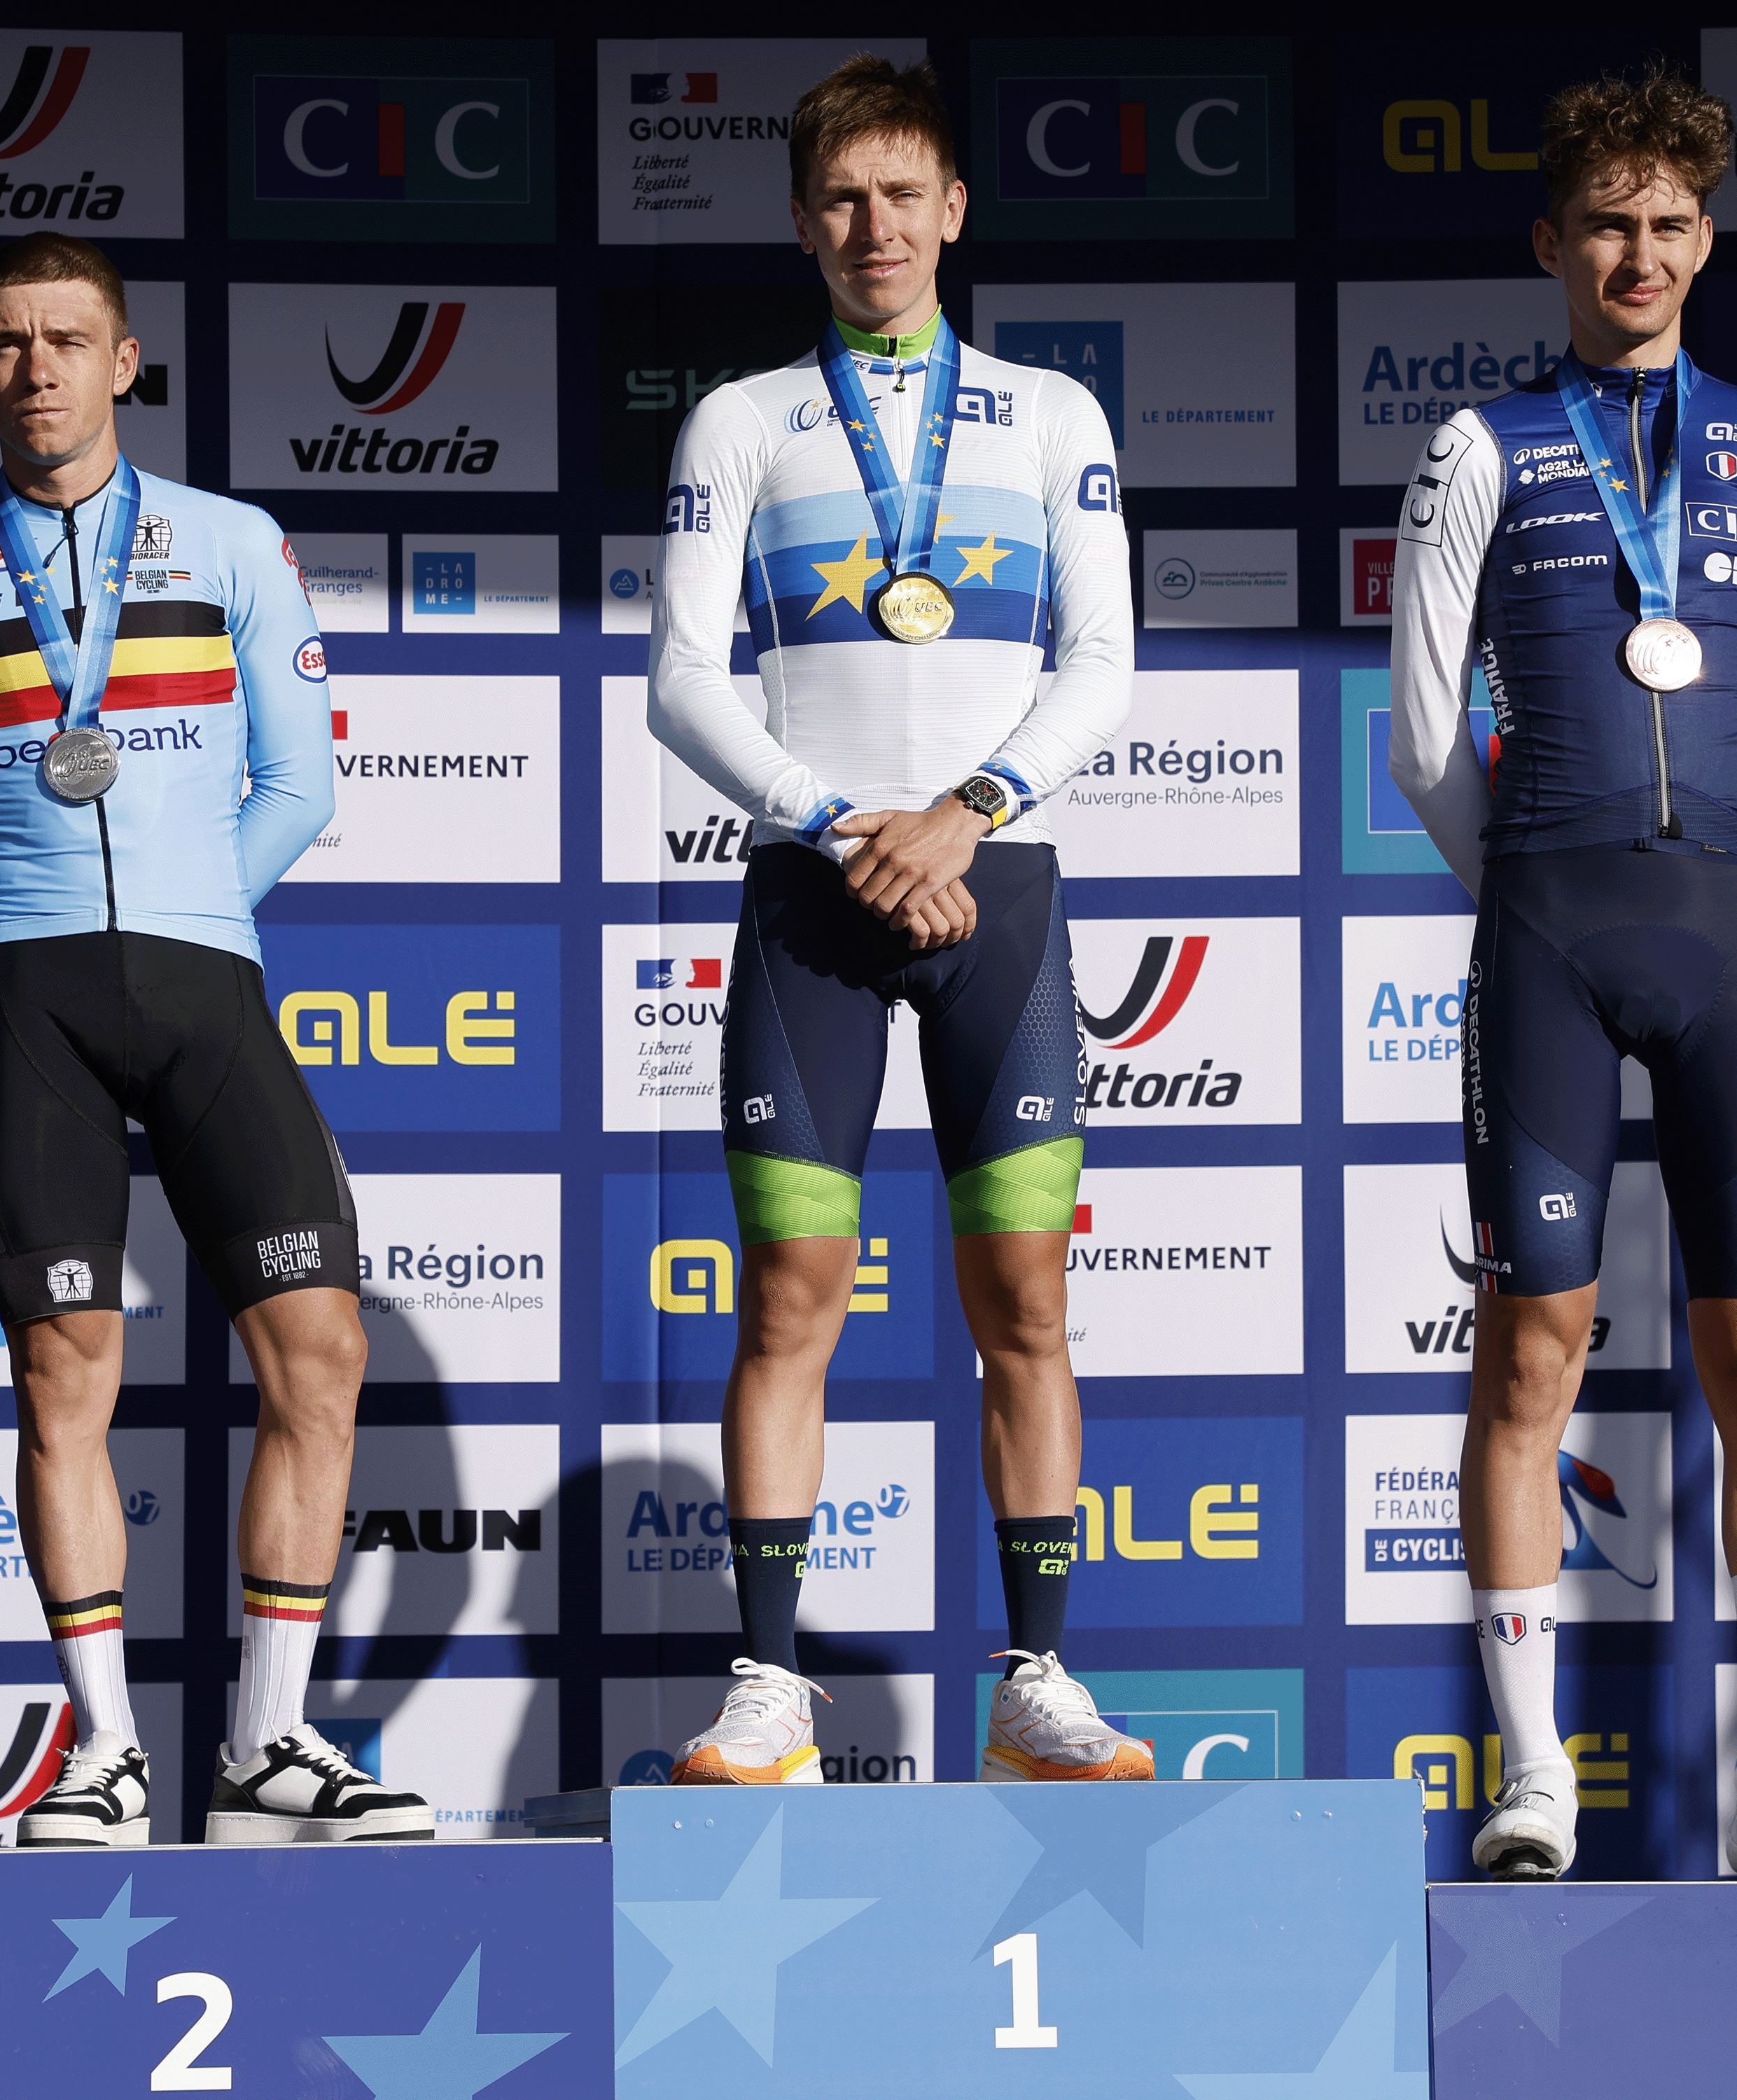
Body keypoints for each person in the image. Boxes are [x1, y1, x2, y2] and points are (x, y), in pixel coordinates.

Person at [0, 232, 431, 1847]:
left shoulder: (232, 541)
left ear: (123, 361)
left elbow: (298, 782)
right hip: (26, 995)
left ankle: (267, 1736)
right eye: (3, 341)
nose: (34, 366)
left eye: (64, 338)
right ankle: (102, 1748)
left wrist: (189, 917)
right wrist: (23, 931)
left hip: (205, 983)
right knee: (64, 1370)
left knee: (318, 1347)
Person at [1385, 67, 1737, 1879]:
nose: (1637, 254)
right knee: (1529, 1356)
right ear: (1550, 241)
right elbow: (1422, 737)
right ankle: (1531, 1775)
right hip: (1549, 938)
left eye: (1667, 223)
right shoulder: (1478, 446)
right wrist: (1534, 885)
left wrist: (1723, 878)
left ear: (1705, 241)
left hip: (1727, 932)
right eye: (1604, 223)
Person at [645, 54, 1140, 1783]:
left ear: (952, 210)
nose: (875, 227)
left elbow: (1102, 663)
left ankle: (1037, 1682)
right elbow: (678, 680)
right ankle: (768, 1686)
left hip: (995, 884)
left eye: (903, 194)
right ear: (802, 221)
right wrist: (836, 819)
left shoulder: (1052, 415)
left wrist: (961, 814)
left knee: (1025, 1301)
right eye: (843, 199)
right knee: (791, 1297)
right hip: (816, 893)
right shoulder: (741, 419)